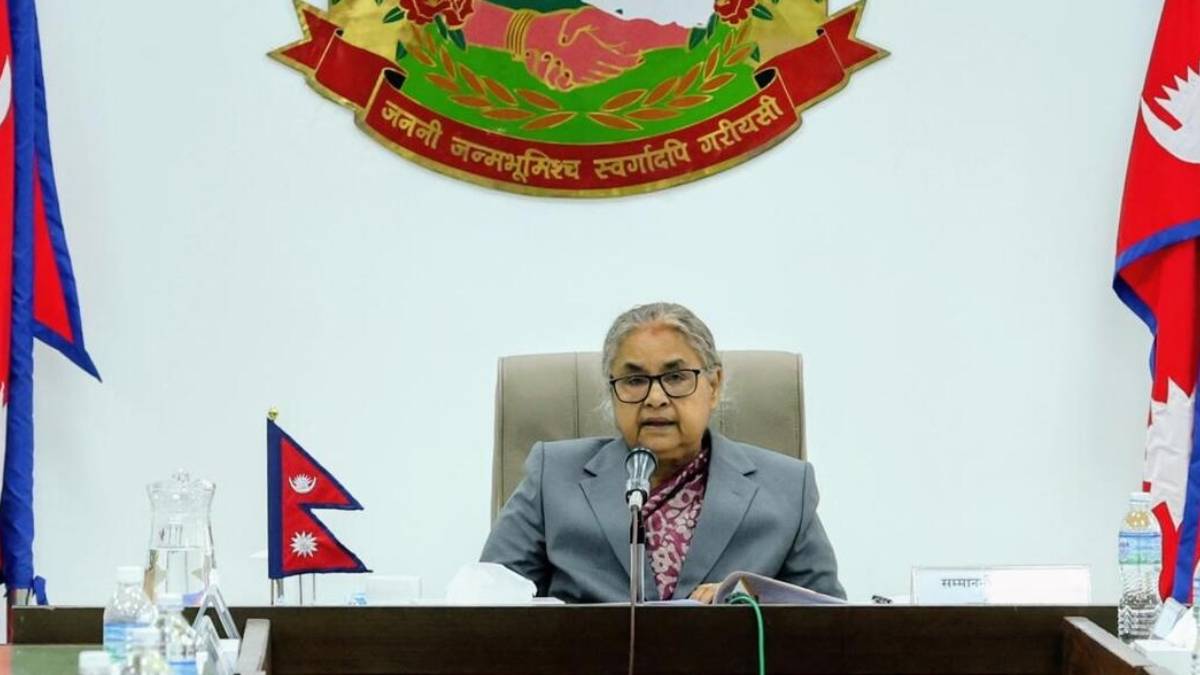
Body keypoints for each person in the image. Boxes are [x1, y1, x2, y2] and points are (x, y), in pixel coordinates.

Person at [481, 302, 844, 603]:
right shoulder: (554, 477)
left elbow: (832, 628)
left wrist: (751, 603)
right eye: (635, 380)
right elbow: (486, 606)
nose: (656, 398)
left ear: (714, 386)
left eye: (675, 377)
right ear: (612, 391)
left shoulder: (786, 488)